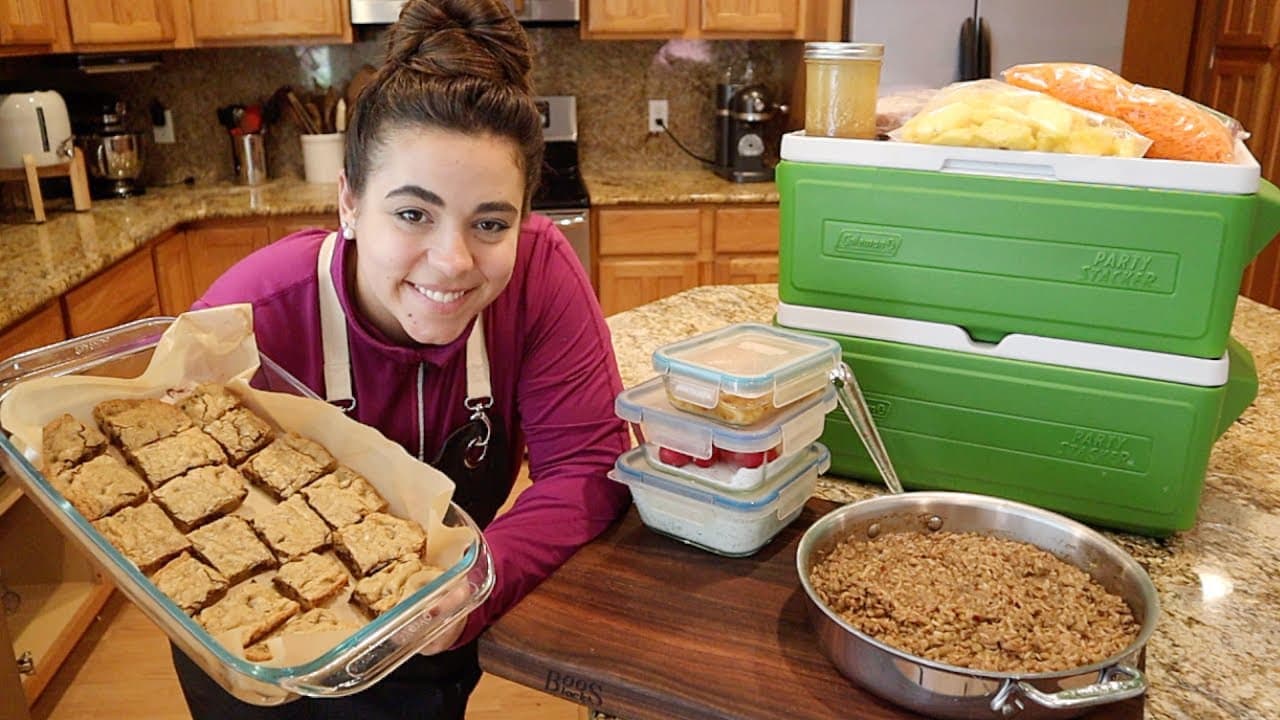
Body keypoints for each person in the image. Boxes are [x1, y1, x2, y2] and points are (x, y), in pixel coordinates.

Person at [168, 0, 632, 716]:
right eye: (412, 214)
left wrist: (478, 580)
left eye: (489, 222)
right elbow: (171, 489)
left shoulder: (539, 274)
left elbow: (586, 468)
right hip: (255, 652)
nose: (451, 263)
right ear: (350, 204)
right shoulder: (253, 314)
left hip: (430, 641)